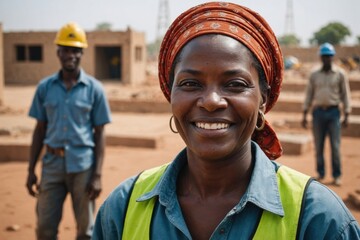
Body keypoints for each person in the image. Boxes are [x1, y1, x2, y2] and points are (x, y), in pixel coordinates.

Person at [93, 2, 360, 239]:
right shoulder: (122, 209)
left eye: (235, 84)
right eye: (190, 83)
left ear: (263, 100)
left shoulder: (320, 221)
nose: (211, 101)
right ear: (170, 94)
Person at [26, 22, 112, 240]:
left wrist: (98, 175)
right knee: (45, 228)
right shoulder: (44, 88)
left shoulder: (95, 89)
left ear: (82, 52)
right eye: (65, 49)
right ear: (58, 52)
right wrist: (30, 170)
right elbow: (39, 130)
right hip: (51, 166)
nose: (70, 55)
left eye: (75, 50)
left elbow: (100, 133)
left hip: (83, 166)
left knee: (86, 231)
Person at [302, 42, 351, 186]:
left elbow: (345, 94)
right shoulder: (314, 75)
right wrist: (305, 113)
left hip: (334, 112)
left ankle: (337, 175)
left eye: (329, 56)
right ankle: (321, 173)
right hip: (318, 113)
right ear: (320, 57)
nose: (327, 59)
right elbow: (309, 94)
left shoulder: (340, 74)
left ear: (333, 57)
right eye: (324, 56)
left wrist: (347, 113)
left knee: (335, 146)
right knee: (319, 145)